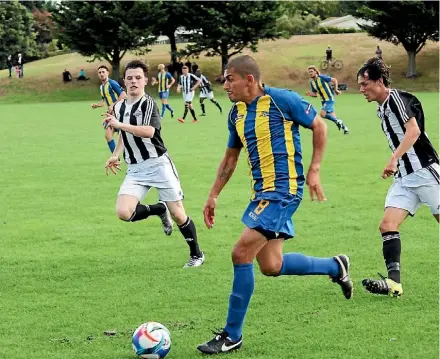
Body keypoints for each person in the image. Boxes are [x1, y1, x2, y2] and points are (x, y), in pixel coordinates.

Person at [197, 55, 352, 355]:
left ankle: (232, 335)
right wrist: (213, 194)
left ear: (249, 80)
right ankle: (336, 266)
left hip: (284, 191)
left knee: (241, 252)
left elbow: (320, 126)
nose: (225, 84)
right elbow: (230, 158)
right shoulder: (236, 114)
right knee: (271, 266)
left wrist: (315, 170)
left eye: (230, 79)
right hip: (261, 194)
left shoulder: (282, 100)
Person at [103, 59, 205, 268]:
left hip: (158, 165)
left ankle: (197, 254)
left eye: (138, 78)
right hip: (135, 169)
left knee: (178, 214)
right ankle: (158, 209)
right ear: (124, 81)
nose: (133, 82)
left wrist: (120, 124)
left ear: (146, 81)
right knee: (124, 212)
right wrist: (115, 154)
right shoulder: (120, 106)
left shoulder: (149, 103)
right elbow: (124, 133)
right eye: (129, 78)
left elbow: (149, 131)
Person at [357, 58, 439, 297]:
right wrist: (397, 163)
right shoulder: (380, 107)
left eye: (365, 84)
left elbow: (414, 130)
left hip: (425, 172)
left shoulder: (396, 100)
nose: (361, 89)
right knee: (387, 225)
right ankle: (394, 284)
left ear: (379, 81)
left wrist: (394, 158)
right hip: (404, 178)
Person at [91, 65, 127, 154]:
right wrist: (97, 105)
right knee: (108, 135)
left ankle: (130, 156)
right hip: (111, 115)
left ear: (107, 73)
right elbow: (105, 100)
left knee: (123, 139)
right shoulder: (101, 87)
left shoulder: (112, 83)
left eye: (103, 72)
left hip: (119, 113)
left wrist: (113, 105)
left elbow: (123, 95)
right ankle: (116, 159)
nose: (101, 74)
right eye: (99, 72)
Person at [306, 65, 349, 134]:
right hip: (323, 101)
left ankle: (339, 122)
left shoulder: (322, 77)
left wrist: (336, 89)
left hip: (329, 99)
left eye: (311, 71)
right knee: (334, 117)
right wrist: (310, 94)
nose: (310, 73)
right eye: (309, 72)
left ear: (316, 72)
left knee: (322, 114)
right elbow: (315, 94)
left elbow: (334, 80)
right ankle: (345, 129)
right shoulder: (312, 83)